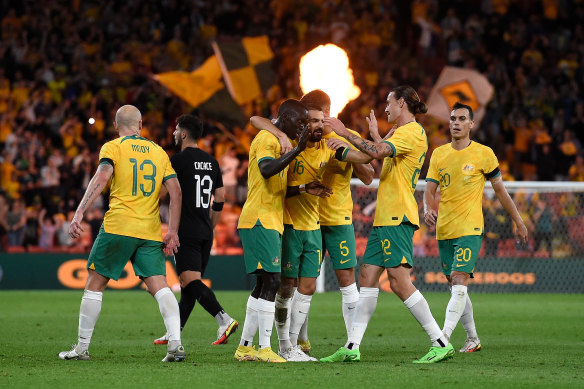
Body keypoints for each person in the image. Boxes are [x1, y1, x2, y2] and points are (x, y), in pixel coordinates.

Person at [321, 85, 454, 364]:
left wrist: (346, 133)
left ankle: (440, 341)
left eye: (388, 103)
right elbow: (383, 153)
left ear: (401, 103)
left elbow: (378, 153)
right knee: (367, 278)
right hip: (384, 218)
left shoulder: (412, 132)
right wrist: (377, 137)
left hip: (397, 216)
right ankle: (352, 346)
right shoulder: (401, 133)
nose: (385, 109)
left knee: (399, 282)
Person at [252, 89, 374, 356]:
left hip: (337, 217)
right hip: (302, 220)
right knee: (294, 286)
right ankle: (297, 342)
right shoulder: (294, 140)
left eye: (317, 119)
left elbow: (368, 172)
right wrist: (283, 135)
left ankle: (352, 344)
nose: (312, 123)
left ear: (326, 116)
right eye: (306, 119)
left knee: (343, 281)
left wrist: (346, 139)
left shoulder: (334, 139)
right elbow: (256, 119)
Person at [59, 105, 185, 362]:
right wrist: (171, 231)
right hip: (149, 231)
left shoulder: (113, 147)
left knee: (95, 283)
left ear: (116, 126)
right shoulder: (159, 152)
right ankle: (175, 344)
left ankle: (82, 348)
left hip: (118, 226)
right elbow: (176, 191)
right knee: (159, 286)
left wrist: (79, 213)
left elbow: (101, 178)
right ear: (140, 125)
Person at [423, 102, 528, 352]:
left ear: (472, 124)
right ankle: (472, 339)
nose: (456, 123)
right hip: (445, 229)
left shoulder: (484, 154)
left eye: (461, 119)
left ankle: (442, 340)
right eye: (452, 119)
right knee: (455, 285)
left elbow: (500, 191)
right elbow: (429, 191)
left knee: (460, 280)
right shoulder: (439, 154)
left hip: (470, 227)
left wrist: (518, 220)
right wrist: (428, 209)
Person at [234, 99, 326, 363]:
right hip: (260, 219)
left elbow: (278, 186)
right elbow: (265, 170)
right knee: (273, 282)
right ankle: (265, 348)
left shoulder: (278, 141)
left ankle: (244, 347)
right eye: (299, 122)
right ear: (285, 117)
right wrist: (297, 150)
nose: (302, 128)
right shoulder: (267, 139)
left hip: (269, 219)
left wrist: (303, 188)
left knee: (263, 283)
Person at [153, 114, 238, 347]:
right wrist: (212, 224)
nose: (173, 133)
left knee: (191, 283)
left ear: (183, 134)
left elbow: (163, 194)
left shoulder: (177, 161)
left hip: (186, 230)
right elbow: (220, 197)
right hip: (205, 230)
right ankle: (174, 332)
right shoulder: (212, 162)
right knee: (188, 286)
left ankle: (224, 319)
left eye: (176, 129)